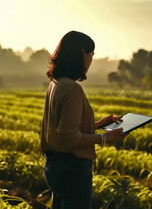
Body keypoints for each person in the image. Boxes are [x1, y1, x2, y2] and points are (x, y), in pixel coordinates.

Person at [40, 30, 128, 209]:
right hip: (72, 170)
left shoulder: (56, 83)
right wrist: (106, 138)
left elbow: (62, 128)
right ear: (82, 54)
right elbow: (68, 137)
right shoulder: (72, 89)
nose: (91, 60)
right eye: (91, 54)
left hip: (55, 167)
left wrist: (96, 125)